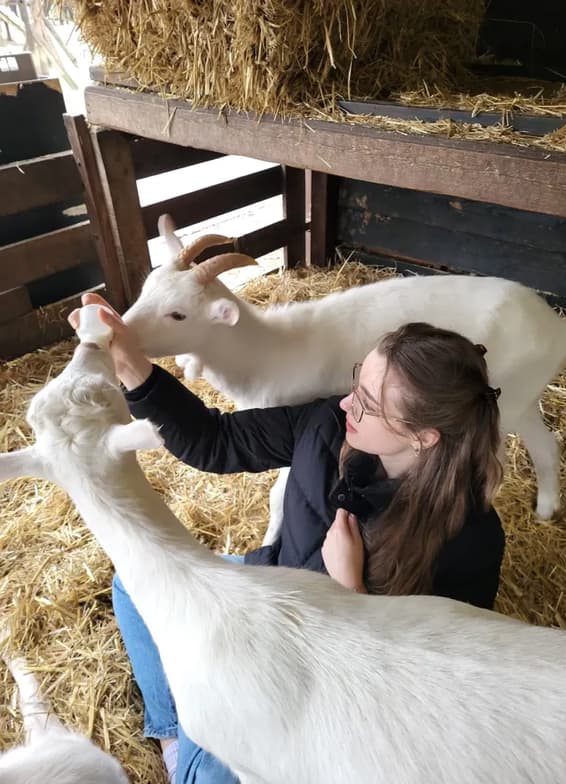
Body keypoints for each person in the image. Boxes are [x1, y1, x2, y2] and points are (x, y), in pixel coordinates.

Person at [70, 293, 506, 784]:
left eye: (367, 403)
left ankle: (195, 754)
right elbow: (216, 441)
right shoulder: (325, 424)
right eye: (356, 384)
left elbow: (430, 684)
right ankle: (174, 733)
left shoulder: (471, 538)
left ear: (422, 436)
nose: (346, 404)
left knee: (210, 776)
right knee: (135, 578)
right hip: (269, 589)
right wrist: (131, 363)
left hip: (310, 680)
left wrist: (352, 593)